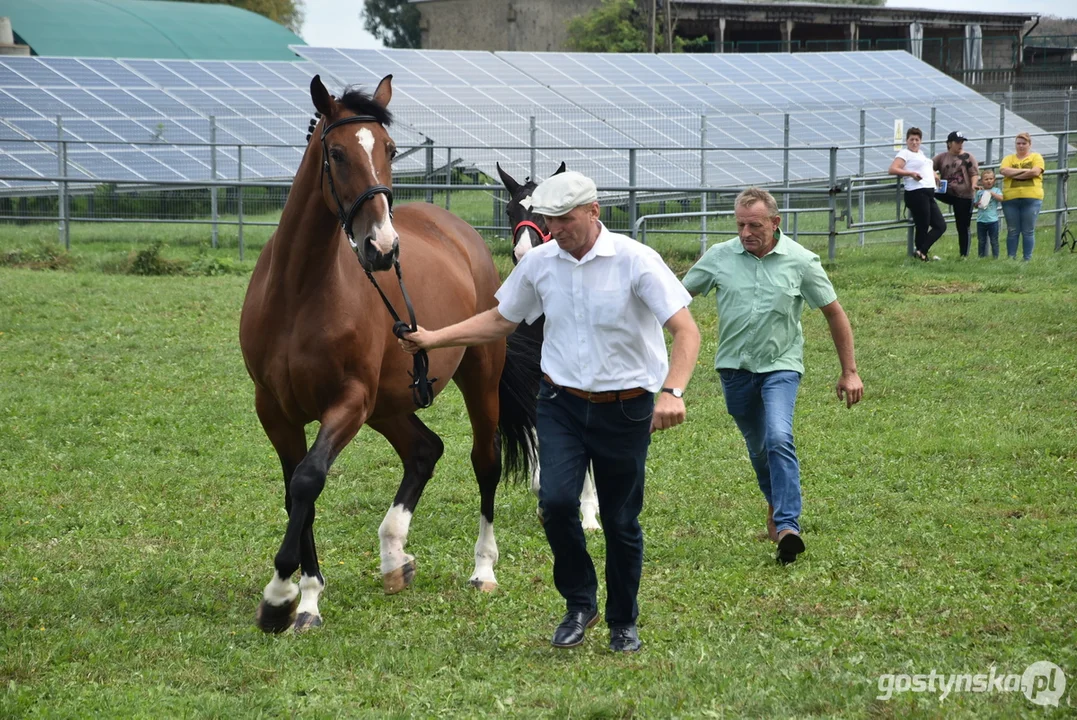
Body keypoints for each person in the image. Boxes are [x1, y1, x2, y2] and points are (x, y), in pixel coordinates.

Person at [398, 171, 701, 653]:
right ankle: (580, 604)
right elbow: (501, 319)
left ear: (594, 212)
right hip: (560, 402)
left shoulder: (635, 260)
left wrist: (674, 392)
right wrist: (436, 337)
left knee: (621, 521)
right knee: (556, 504)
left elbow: (686, 331)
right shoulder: (540, 263)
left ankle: (624, 620)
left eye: (564, 219)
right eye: (548, 220)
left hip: (626, 408)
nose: (555, 229)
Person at [681, 188, 863, 565]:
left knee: (779, 437)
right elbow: (675, 298)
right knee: (759, 446)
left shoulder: (801, 261)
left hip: (781, 366)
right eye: (740, 225)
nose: (746, 233)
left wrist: (850, 371)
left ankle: (787, 527)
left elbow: (835, 314)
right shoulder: (719, 257)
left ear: (775, 223)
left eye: (755, 225)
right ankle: (775, 500)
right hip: (733, 369)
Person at [889, 127, 945, 262]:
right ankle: (921, 255)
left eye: (917, 140)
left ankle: (921, 251)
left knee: (940, 225)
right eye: (911, 140)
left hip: (928, 192)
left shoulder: (920, 154)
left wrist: (934, 174)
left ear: (920, 141)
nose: (914, 142)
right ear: (907, 141)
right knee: (923, 224)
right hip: (916, 192)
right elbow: (893, 169)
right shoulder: (905, 153)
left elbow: (925, 167)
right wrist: (910, 174)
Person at [933, 131, 980, 258]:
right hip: (946, 192)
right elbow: (928, 166)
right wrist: (934, 173)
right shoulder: (942, 157)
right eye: (957, 142)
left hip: (964, 195)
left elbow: (974, 173)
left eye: (962, 142)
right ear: (949, 143)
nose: (960, 144)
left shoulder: (968, 157)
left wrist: (973, 185)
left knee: (963, 226)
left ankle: (963, 255)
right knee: (928, 193)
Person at [999, 132, 1045, 261]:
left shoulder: (1036, 157)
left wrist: (1014, 175)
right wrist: (1026, 172)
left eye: (1024, 143)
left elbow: (1036, 171)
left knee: (1028, 230)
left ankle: (1027, 259)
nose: (1021, 146)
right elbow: (1003, 171)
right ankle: (1011, 258)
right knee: (1012, 230)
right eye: (1018, 143)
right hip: (1010, 199)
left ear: (1029, 145)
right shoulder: (1008, 158)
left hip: (1032, 198)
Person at [974, 168, 1003, 259]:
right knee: (981, 240)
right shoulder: (979, 192)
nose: (989, 181)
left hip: (993, 220)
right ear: (982, 181)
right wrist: (977, 202)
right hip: (981, 220)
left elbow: (1001, 198)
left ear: (994, 180)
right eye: (986, 179)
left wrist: (991, 193)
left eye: (991, 179)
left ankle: (995, 257)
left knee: (994, 240)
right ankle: (981, 257)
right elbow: (975, 205)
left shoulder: (996, 190)